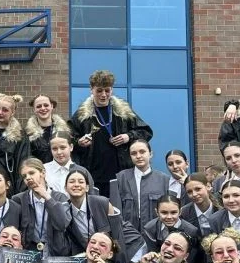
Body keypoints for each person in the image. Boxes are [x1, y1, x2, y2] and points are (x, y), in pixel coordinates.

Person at [71, 70, 153, 198]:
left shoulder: (123, 111)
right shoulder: (81, 114)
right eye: (99, 91)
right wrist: (79, 142)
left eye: (107, 90)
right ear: (91, 90)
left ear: (112, 89)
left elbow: (146, 132)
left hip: (121, 174)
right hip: (93, 175)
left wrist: (128, 136)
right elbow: (69, 140)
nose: (103, 95)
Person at [63, 170, 128, 262]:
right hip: (88, 258)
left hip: (114, 255)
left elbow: (118, 236)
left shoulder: (103, 203)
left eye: (81, 182)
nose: (76, 185)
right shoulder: (64, 211)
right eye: (72, 181)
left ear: (87, 188)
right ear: (65, 188)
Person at [14, 158, 72, 256]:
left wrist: (47, 198)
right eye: (24, 176)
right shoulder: (19, 199)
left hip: (55, 252)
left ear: (43, 173)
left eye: (31, 173)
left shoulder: (60, 197)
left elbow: (62, 224)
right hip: (29, 251)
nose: (28, 178)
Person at [115, 139, 173, 234]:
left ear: (150, 154)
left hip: (156, 234)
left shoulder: (164, 180)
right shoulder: (121, 178)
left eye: (142, 152)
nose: (138, 156)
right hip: (128, 234)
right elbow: (115, 210)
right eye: (134, 153)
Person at [139, 194, 200, 263]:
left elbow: (191, 260)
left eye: (173, 212)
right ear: (157, 212)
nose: (169, 217)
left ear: (180, 212)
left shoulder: (191, 230)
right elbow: (152, 254)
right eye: (164, 213)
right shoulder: (150, 228)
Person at [25, 94, 72, 164]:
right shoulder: (27, 134)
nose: (43, 108)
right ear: (34, 109)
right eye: (38, 106)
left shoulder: (65, 131)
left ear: (52, 106)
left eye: (46, 105)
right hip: (38, 170)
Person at [181, 173, 220, 238]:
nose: (194, 194)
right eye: (189, 192)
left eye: (198, 189)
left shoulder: (221, 210)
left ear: (208, 186)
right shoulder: (184, 213)